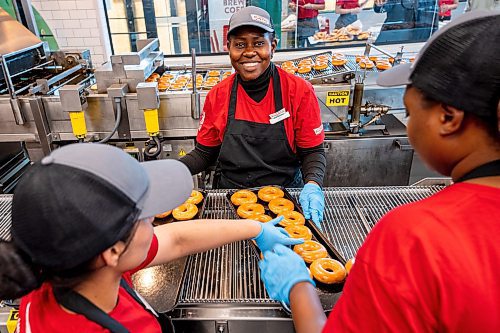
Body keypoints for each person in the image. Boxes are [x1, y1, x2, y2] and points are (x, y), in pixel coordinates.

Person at [259, 11, 500, 333]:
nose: (409, 126)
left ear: (448, 118)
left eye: (411, 113)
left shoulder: (416, 237)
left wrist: (297, 287)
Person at [0, 143, 302, 332]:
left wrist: (256, 228)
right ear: (113, 251)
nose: (156, 220)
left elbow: (176, 239)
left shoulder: (59, 270)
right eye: (146, 215)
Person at [181, 6, 327, 225]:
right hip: (230, 200)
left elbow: (313, 151)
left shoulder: (298, 90)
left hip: (285, 198)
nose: (249, 52)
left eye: (259, 43)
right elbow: (204, 154)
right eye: (240, 44)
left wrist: (313, 185)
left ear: (273, 46)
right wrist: (169, 171)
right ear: (228, 48)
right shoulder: (217, 95)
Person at [373, 0, 439, 43]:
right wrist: (379, 5)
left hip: (421, 39)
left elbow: (434, 13)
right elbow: (382, 6)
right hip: (394, 37)